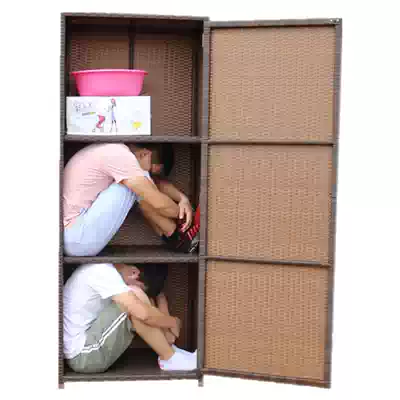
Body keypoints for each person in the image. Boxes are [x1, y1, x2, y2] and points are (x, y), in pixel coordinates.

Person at [63, 142, 200, 256]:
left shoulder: (115, 152)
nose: (149, 177)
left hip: (74, 235)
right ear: (145, 154)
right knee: (139, 190)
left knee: (141, 188)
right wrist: (186, 215)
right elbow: (159, 203)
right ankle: (182, 235)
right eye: (150, 171)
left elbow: (154, 185)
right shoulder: (121, 156)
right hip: (77, 236)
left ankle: (177, 237)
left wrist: (183, 199)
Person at [63, 262, 197, 373]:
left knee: (137, 301)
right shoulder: (103, 271)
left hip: (88, 346)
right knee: (136, 299)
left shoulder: (105, 271)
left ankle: (172, 353)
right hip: (84, 356)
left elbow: (150, 305)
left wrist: (161, 303)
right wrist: (173, 322)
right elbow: (144, 314)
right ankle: (169, 357)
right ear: (134, 272)